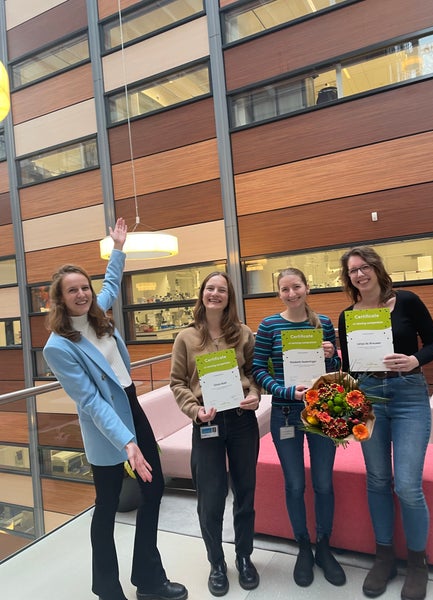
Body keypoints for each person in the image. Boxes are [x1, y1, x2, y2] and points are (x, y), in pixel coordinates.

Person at [43, 218, 188, 600]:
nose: (82, 295)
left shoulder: (98, 312)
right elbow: (90, 401)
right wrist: (127, 442)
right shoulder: (58, 346)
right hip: (106, 430)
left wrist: (119, 246)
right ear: (59, 299)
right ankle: (107, 587)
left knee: (153, 488)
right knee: (107, 505)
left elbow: (110, 283)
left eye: (83, 288)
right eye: (72, 291)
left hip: (132, 409)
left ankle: (148, 578)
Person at [338, 246, 433, 600]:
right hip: (368, 396)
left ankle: (417, 563)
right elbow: (351, 368)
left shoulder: (408, 301)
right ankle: (384, 557)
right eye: (352, 270)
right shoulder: (348, 315)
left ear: (377, 269)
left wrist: (414, 360)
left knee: (408, 486)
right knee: (378, 479)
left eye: (364, 267)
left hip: (409, 395)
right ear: (347, 277)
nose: (359, 274)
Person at [252, 267, 346, 588]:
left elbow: (333, 371)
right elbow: (257, 370)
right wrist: (284, 391)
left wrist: (333, 356)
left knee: (323, 483)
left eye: (296, 287)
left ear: (307, 288)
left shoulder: (324, 323)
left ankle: (324, 546)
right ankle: (303, 546)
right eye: (284, 289)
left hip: (321, 414)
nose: (291, 294)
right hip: (286, 415)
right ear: (278, 293)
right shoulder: (269, 325)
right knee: (294, 485)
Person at [170, 272, 260, 597]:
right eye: (211, 288)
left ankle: (244, 557)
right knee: (210, 498)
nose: (215, 294)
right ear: (202, 294)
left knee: (246, 493)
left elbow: (253, 372)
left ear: (229, 297)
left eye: (222, 289)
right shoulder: (186, 338)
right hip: (206, 422)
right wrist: (195, 411)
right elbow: (177, 382)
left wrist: (255, 394)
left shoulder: (244, 334)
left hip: (240, 420)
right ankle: (217, 563)